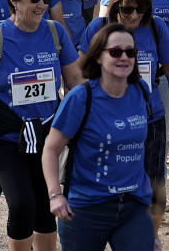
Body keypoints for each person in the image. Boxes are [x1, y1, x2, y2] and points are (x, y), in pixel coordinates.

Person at [0, 0, 81, 251]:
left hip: (47, 136)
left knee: (45, 205)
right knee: (21, 205)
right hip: (7, 136)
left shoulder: (56, 33)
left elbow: (76, 82)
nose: (41, 4)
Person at [81, 0, 169, 237]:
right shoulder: (98, 27)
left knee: (155, 184)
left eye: (142, 9)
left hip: (150, 119)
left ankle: (151, 239)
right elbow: (79, 73)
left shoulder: (155, 27)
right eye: (128, 9)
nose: (135, 15)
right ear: (115, 6)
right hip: (107, 123)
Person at [42, 22, 155, 251]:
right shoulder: (81, 98)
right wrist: (55, 194)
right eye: (115, 52)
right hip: (87, 208)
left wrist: (146, 232)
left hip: (134, 205)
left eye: (130, 52)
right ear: (98, 57)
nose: (124, 57)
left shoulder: (141, 90)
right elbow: (51, 149)